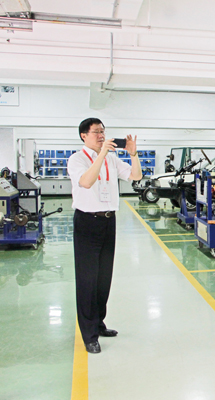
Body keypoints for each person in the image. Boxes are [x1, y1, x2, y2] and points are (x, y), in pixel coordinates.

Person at [67, 118, 142, 354]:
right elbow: (86, 182)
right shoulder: (77, 159)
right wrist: (101, 155)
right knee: (87, 279)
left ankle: (98, 324)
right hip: (87, 222)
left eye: (103, 131)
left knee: (103, 278)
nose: (101, 135)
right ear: (84, 135)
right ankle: (88, 334)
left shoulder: (111, 158)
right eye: (96, 132)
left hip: (109, 221)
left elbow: (136, 176)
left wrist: (133, 154)